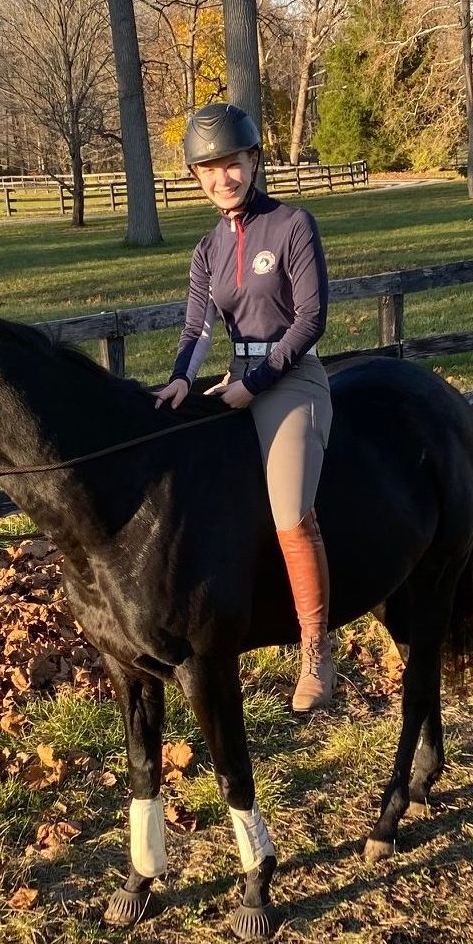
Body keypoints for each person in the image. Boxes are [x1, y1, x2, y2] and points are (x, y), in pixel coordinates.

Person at [155, 102, 336, 712]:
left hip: (289, 379)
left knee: (290, 514)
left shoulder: (292, 225)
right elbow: (199, 326)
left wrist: (256, 384)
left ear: (254, 160)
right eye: (207, 170)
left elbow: (311, 320)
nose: (221, 179)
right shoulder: (207, 248)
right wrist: (181, 377)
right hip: (233, 376)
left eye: (230, 165)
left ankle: (316, 647)